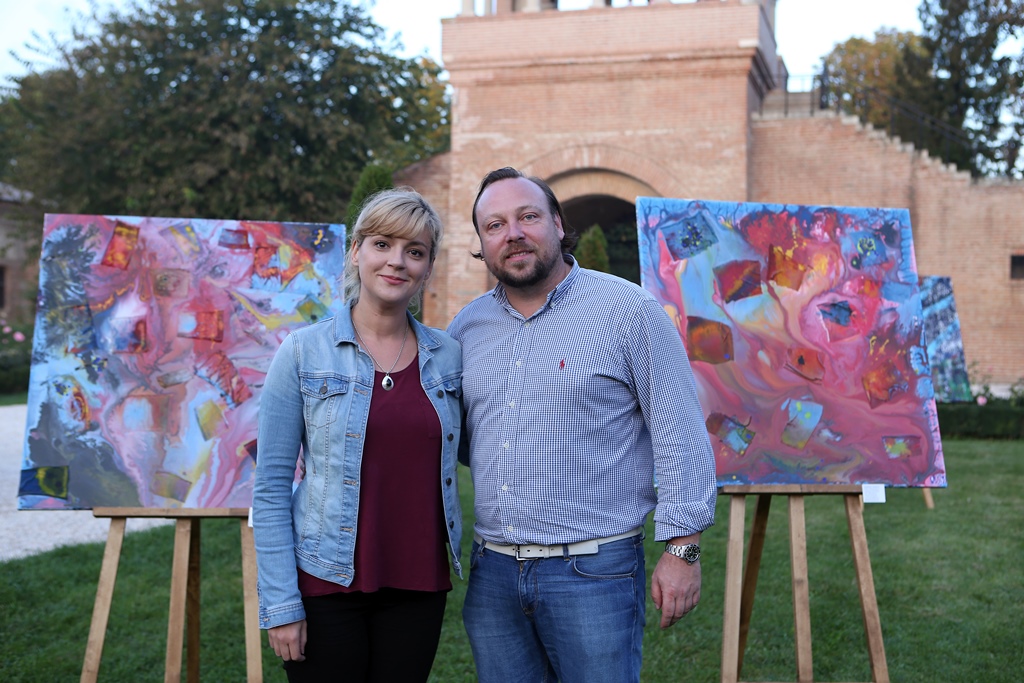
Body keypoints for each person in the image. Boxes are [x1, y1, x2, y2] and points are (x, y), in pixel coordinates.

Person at [447, 167, 717, 682]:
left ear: (557, 222)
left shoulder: (629, 311)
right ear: (481, 242)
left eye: (528, 217)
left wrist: (682, 549)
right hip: (494, 576)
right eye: (495, 225)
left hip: (594, 573)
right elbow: (462, 437)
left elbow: (679, 432)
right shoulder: (467, 328)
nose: (513, 234)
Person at [252, 188, 464, 682]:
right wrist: (281, 604)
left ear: (428, 267)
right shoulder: (303, 352)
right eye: (382, 244)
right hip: (325, 583)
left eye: (415, 251)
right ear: (356, 251)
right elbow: (270, 487)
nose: (397, 262)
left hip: (418, 586)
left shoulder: (449, 357)